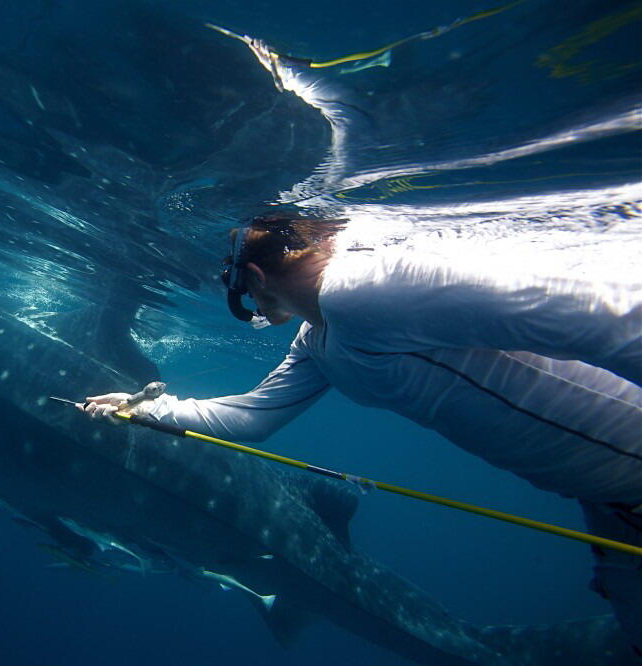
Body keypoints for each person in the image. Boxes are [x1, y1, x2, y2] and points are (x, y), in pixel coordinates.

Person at [81, 212, 642, 653]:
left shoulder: (371, 288)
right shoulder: (317, 340)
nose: (250, 306)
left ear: (254, 277)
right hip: (606, 496)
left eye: (242, 293)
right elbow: (249, 418)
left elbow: (610, 319)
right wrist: (149, 410)